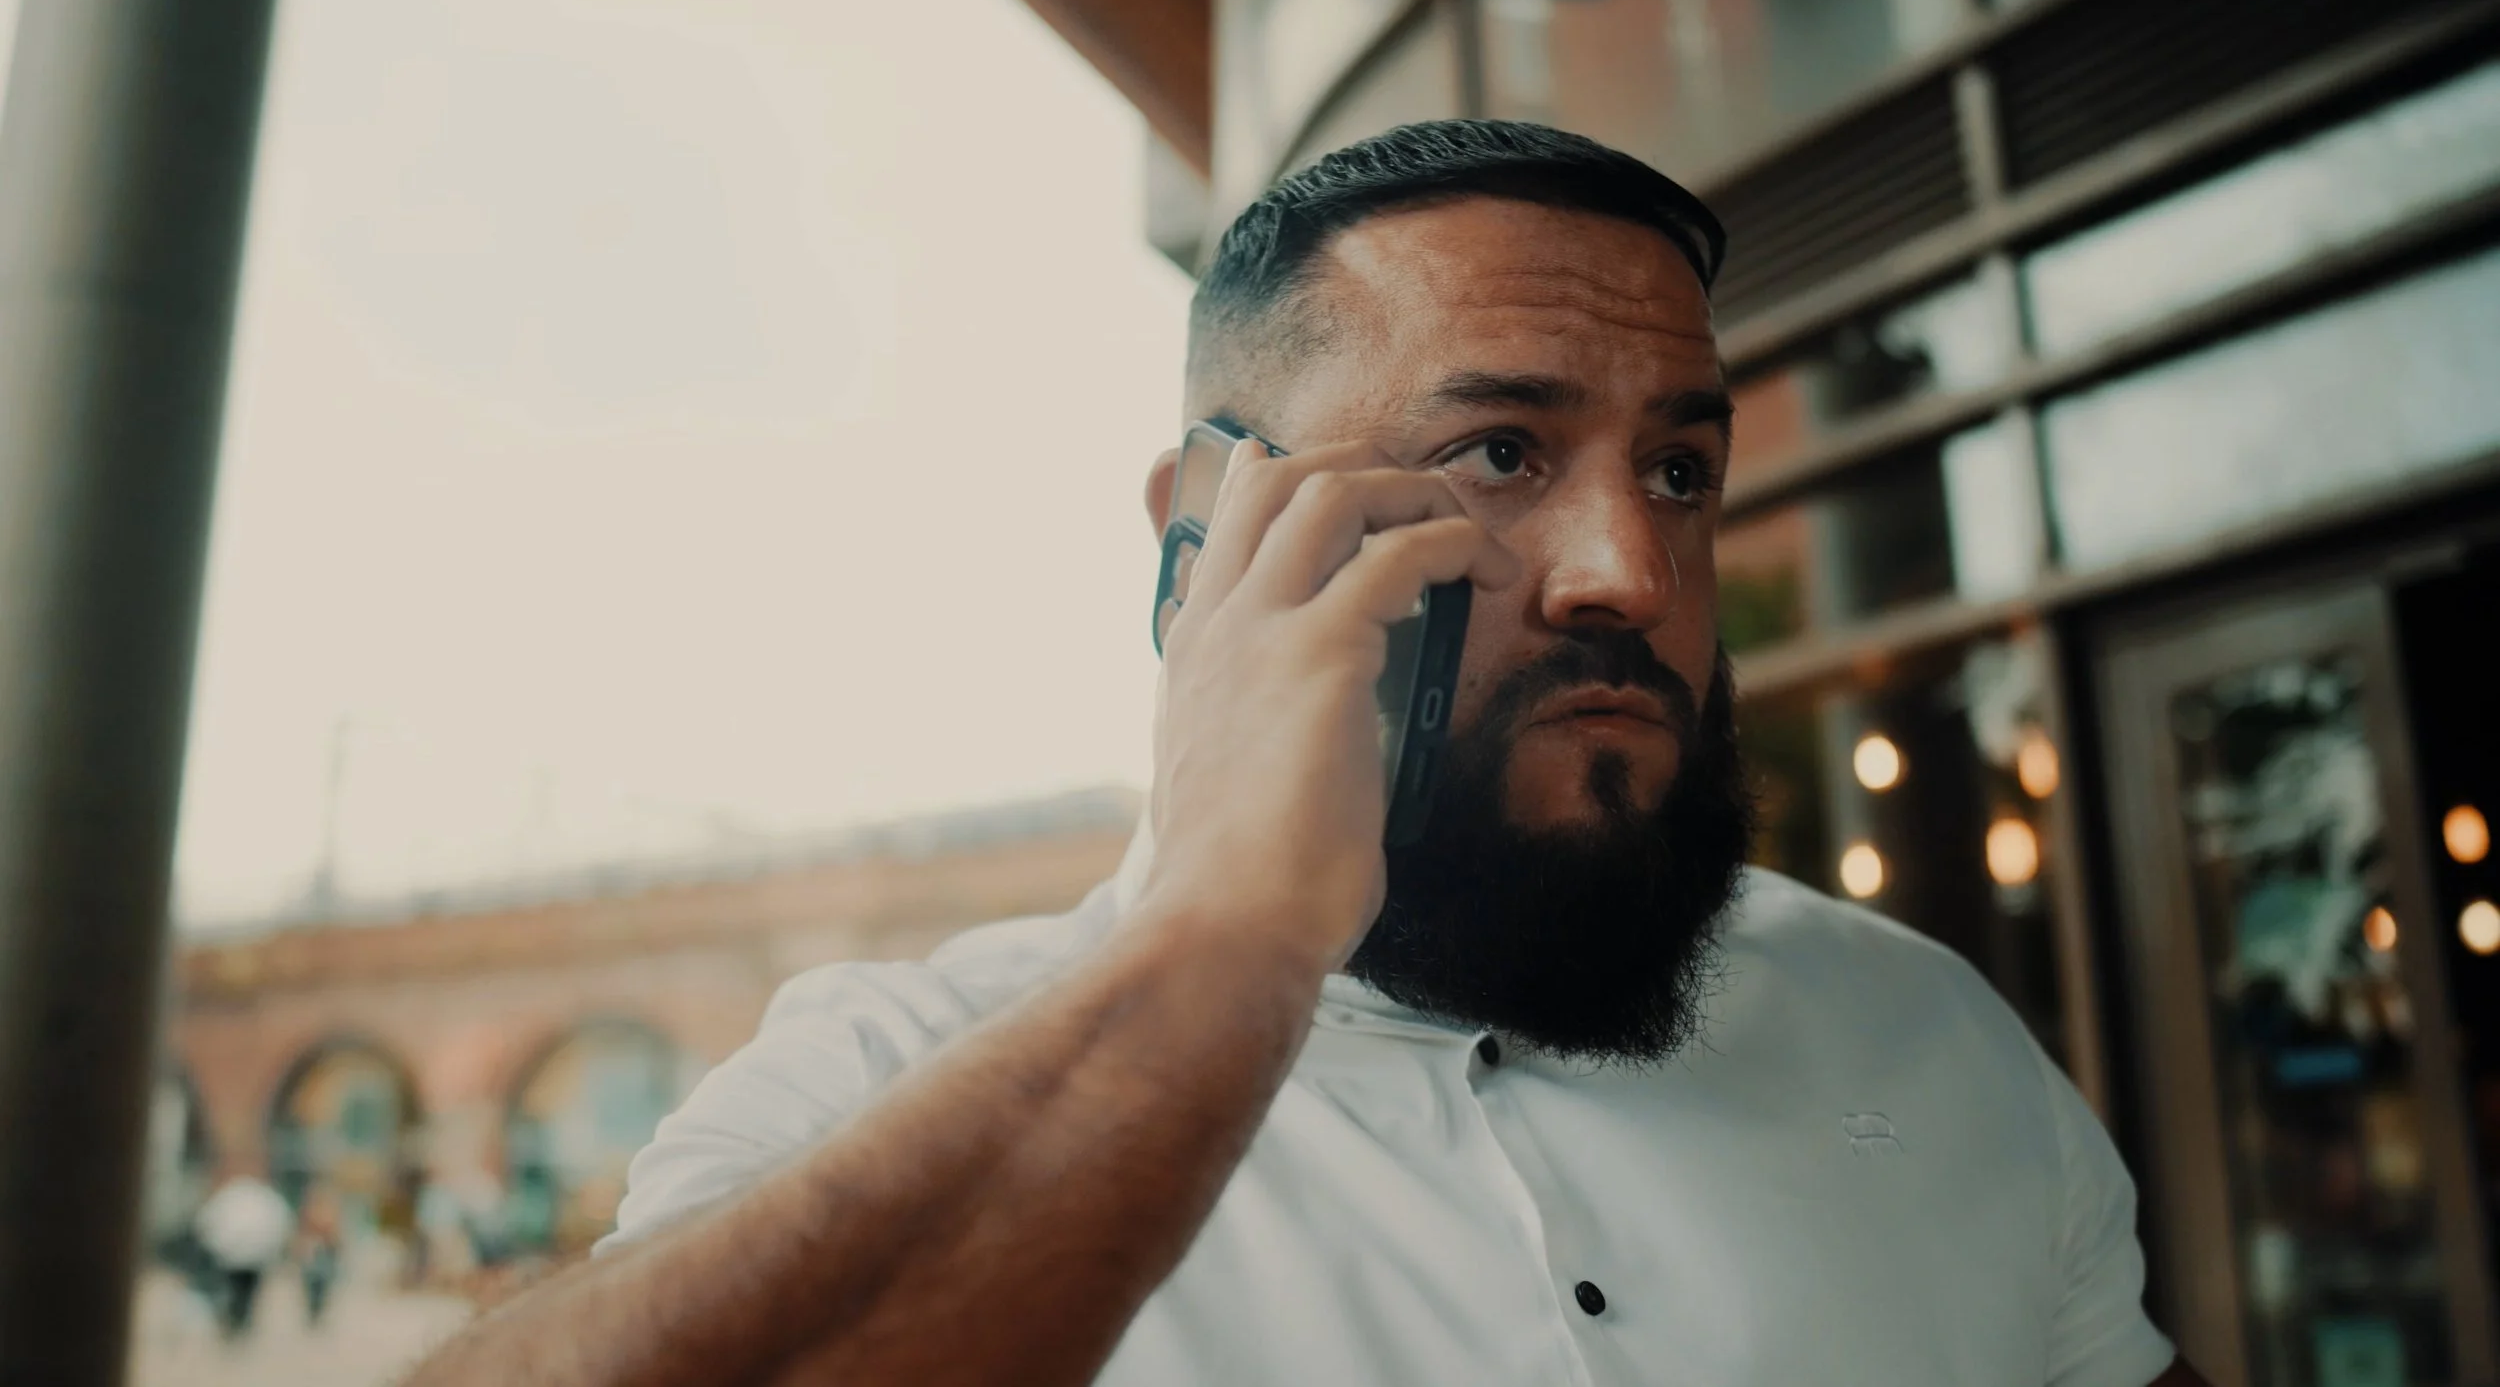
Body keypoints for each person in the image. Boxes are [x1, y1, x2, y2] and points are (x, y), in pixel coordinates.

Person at [405, 121, 2210, 1385]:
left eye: (1680, 470)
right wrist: (1228, 946)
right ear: (1202, 540)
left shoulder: (1925, 1033)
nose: (1632, 572)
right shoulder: (878, 1083)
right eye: (1499, 453)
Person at [191, 1173, 293, 1341]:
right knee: (245, 1292)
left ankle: (236, 1319)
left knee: (237, 1290)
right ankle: (238, 1319)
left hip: (235, 1258)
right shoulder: (261, 1199)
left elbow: (206, 1224)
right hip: (250, 1258)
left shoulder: (229, 1198)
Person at [295, 1184, 343, 1328]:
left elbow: (336, 1235)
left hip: (325, 1253)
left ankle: (317, 1311)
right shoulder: (309, 1212)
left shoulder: (331, 1212)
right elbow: (302, 1231)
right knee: (311, 1284)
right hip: (312, 1252)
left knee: (323, 1284)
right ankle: (312, 1310)